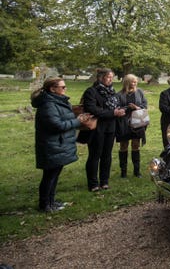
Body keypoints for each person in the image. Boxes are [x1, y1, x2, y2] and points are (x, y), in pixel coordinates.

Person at [32, 77, 96, 211]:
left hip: (59, 144)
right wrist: (78, 122)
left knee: (54, 174)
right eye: (62, 87)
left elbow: (64, 120)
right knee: (49, 176)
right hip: (52, 145)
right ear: (52, 89)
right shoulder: (48, 105)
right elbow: (56, 125)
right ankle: (44, 205)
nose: (65, 89)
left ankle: (51, 201)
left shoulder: (57, 101)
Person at [82, 68, 126, 192]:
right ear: (100, 78)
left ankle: (104, 181)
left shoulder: (112, 91)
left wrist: (121, 111)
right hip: (97, 128)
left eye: (112, 77)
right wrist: (113, 112)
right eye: (108, 77)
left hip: (110, 127)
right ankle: (93, 183)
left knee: (107, 155)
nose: (110, 80)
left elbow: (116, 105)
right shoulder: (91, 91)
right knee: (95, 155)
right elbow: (92, 109)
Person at [116, 74, 148, 178]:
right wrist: (127, 108)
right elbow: (117, 107)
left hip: (137, 121)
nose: (134, 84)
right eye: (132, 82)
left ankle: (137, 171)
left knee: (135, 144)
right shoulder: (119, 94)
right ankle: (123, 171)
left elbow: (144, 105)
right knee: (123, 145)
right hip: (123, 122)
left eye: (135, 82)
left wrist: (137, 107)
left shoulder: (139, 92)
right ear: (126, 83)